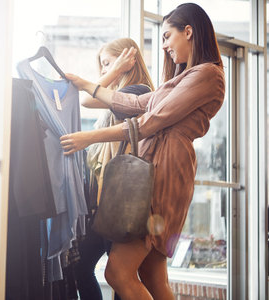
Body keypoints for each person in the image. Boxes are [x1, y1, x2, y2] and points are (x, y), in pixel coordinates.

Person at [60, 3, 225, 300]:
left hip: (163, 173)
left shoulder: (207, 74)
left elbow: (150, 122)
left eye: (166, 37)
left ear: (188, 32)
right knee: (151, 276)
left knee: (117, 273)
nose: (164, 47)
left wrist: (89, 137)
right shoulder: (183, 78)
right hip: (160, 170)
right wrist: (87, 84)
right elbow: (137, 105)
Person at [74, 38, 154, 300]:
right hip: (113, 198)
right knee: (96, 268)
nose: (104, 72)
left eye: (108, 63)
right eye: (103, 66)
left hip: (122, 198)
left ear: (128, 61)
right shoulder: (121, 96)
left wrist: (116, 69)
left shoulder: (137, 93)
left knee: (119, 275)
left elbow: (86, 100)